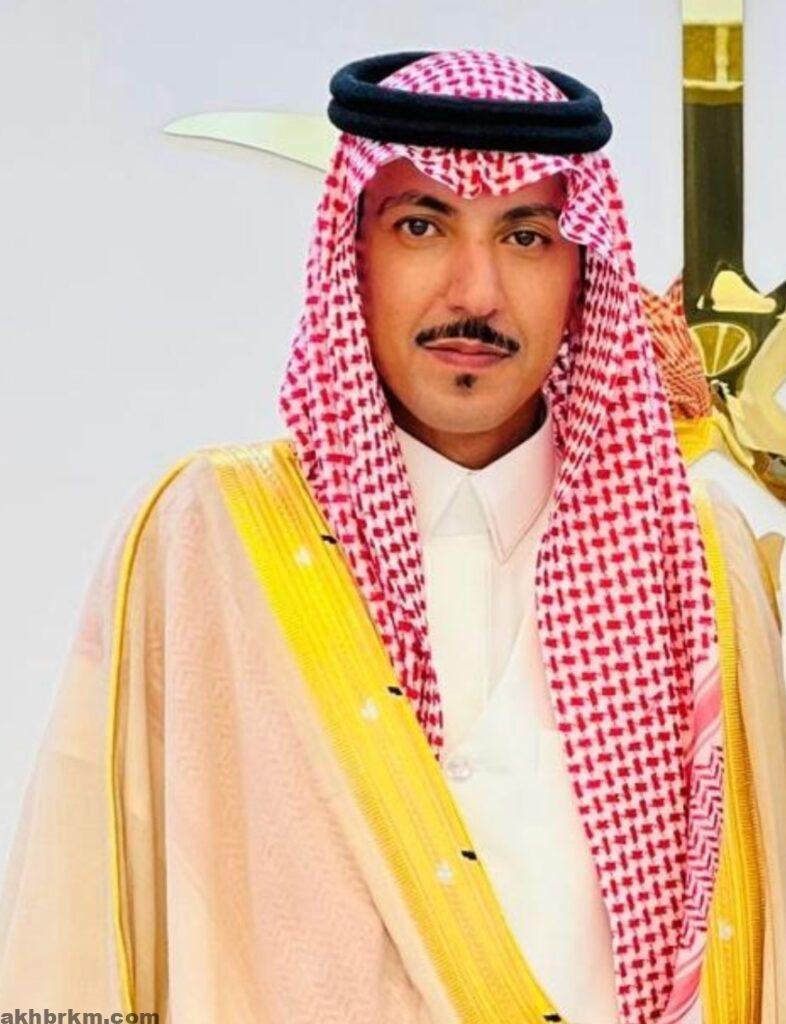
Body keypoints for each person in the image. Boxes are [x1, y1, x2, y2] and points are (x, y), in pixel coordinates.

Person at [0, 48, 784, 1024]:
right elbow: (78, 917)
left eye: (526, 236)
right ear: (354, 254)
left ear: (582, 274)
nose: (476, 292)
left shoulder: (694, 556)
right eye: (422, 225)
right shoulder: (211, 538)